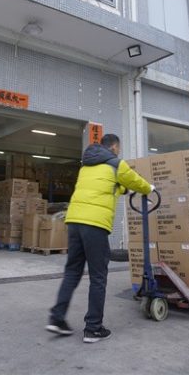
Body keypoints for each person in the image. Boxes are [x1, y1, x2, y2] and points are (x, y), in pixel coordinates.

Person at [46, 133, 153, 343]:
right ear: (113, 147)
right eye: (119, 149)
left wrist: (121, 188)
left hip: (74, 222)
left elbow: (110, 186)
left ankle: (57, 318)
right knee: (98, 276)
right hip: (94, 225)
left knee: (72, 272)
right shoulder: (116, 164)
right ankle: (93, 328)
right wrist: (149, 188)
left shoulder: (86, 167)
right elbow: (134, 181)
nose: (119, 152)